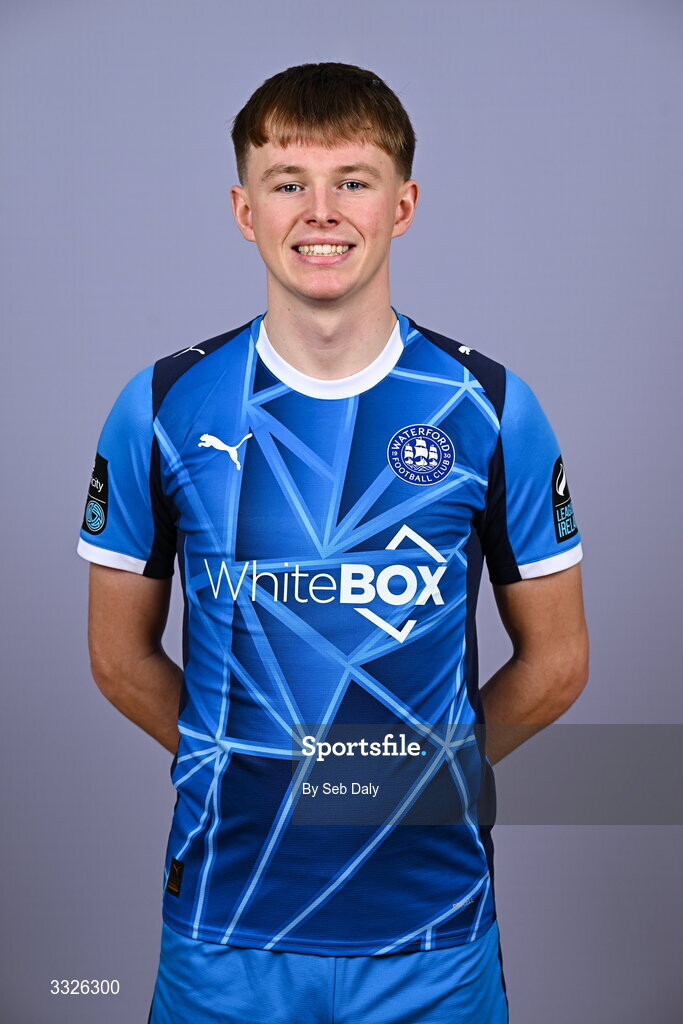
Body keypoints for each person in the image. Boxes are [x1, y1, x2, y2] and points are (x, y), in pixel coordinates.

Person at [77, 62, 588, 1024]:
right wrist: (244, 763)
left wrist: (422, 777)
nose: (321, 212)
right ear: (244, 210)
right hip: (225, 930)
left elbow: (557, 663)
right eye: (288, 183)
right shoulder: (161, 406)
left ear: (403, 205)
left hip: (430, 935)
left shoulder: (488, 407)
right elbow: (116, 657)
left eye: (353, 180)